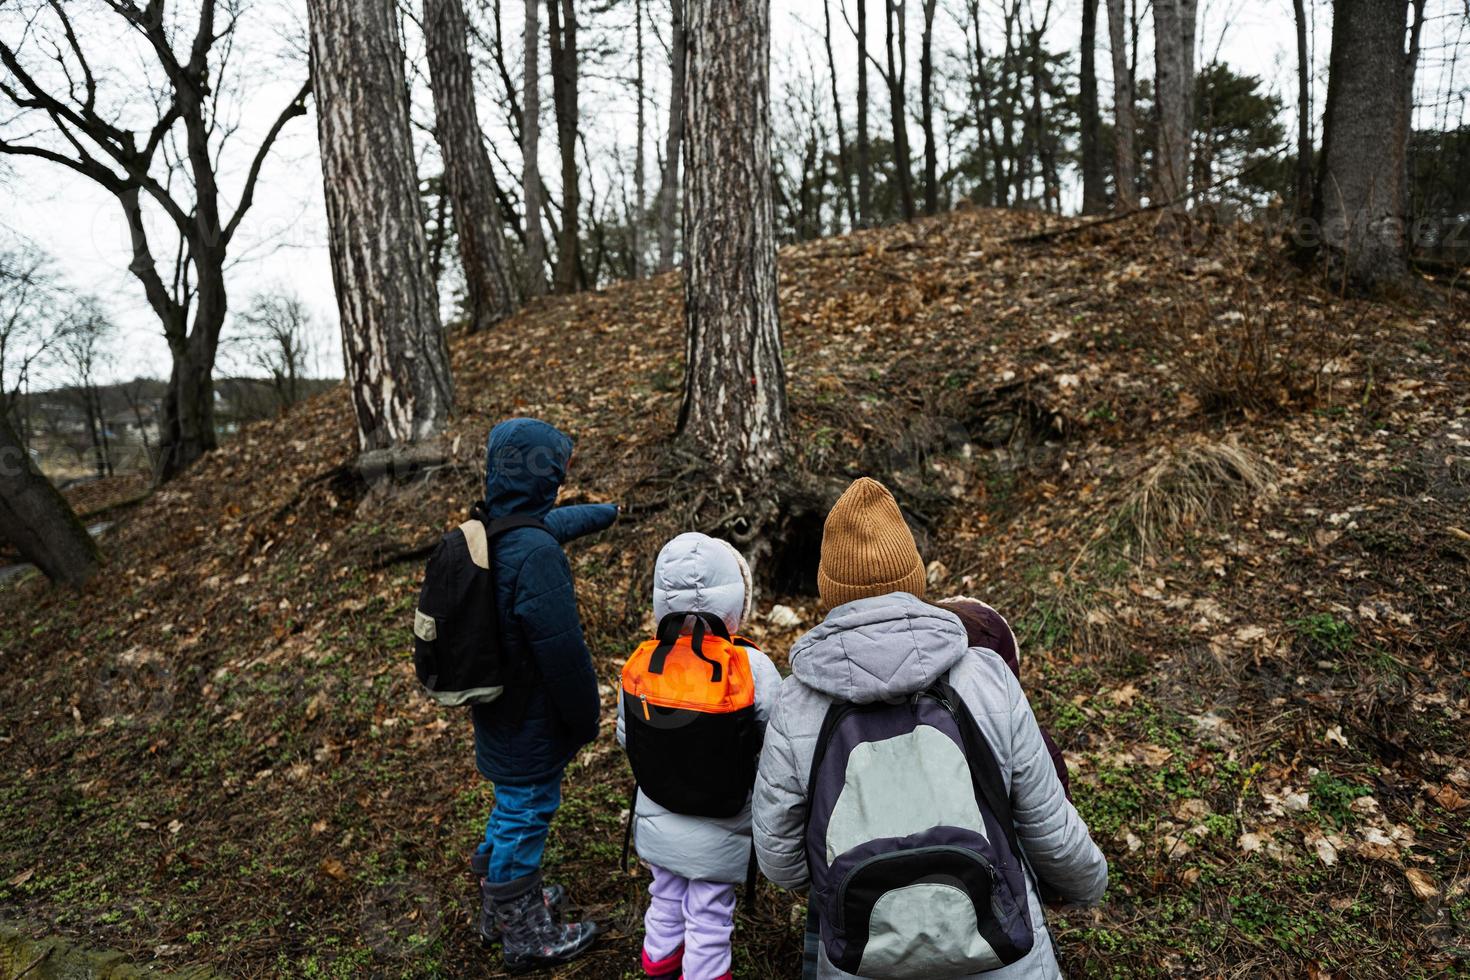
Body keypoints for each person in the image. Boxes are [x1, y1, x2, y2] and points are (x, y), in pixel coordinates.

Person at [753, 477, 1108, 979]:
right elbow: (1049, 829)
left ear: (828, 590)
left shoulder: (796, 704)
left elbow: (779, 859)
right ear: (915, 578)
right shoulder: (987, 678)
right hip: (1001, 951)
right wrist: (1090, 885)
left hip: (862, 957)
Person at [468, 418, 613, 972]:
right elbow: (563, 652)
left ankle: (497, 910)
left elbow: (555, 521)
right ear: (545, 476)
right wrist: (585, 719)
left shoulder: (493, 528)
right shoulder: (537, 557)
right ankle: (524, 932)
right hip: (532, 715)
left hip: (497, 708)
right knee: (527, 811)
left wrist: (609, 512)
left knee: (510, 806)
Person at [617, 533, 781, 980]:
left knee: (665, 894)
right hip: (722, 821)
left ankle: (659, 965)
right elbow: (777, 742)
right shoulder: (751, 667)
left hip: (658, 809)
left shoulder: (643, 662)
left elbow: (624, 735)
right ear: (736, 600)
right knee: (709, 912)